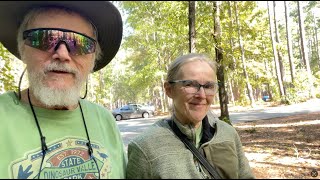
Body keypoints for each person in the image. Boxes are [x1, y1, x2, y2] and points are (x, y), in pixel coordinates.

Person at [0, 2, 126, 179]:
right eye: (44, 38)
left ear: (93, 59)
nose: (63, 54)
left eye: (80, 43)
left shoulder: (105, 120)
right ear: (23, 49)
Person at [126, 53, 255, 179]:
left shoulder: (227, 134)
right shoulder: (145, 147)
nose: (202, 95)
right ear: (169, 90)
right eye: (190, 84)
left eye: (209, 86)